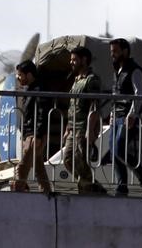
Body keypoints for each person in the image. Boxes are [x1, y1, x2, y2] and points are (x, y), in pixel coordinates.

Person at [109, 38, 142, 198]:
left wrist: (132, 114)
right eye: (111, 52)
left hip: (127, 117)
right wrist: (112, 114)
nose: (113, 55)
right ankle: (121, 187)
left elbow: (139, 94)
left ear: (125, 51)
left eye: (115, 51)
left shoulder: (134, 70)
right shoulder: (118, 70)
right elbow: (116, 95)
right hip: (116, 116)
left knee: (119, 149)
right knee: (114, 152)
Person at [62, 46, 106, 195]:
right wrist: (68, 127)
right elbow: (73, 105)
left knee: (79, 160)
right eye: (71, 60)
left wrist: (90, 130)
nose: (72, 62)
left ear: (84, 60)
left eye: (74, 59)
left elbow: (94, 106)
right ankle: (96, 188)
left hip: (83, 128)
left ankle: (88, 191)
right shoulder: (76, 80)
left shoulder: (91, 79)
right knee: (68, 160)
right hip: (73, 127)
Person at [10, 60, 53, 195]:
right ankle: (46, 192)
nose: (18, 78)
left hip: (34, 134)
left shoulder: (39, 89)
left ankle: (18, 191)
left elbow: (42, 113)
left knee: (22, 167)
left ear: (28, 75)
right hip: (29, 133)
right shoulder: (29, 89)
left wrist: (38, 135)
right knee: (38, 166)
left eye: (20, 75)